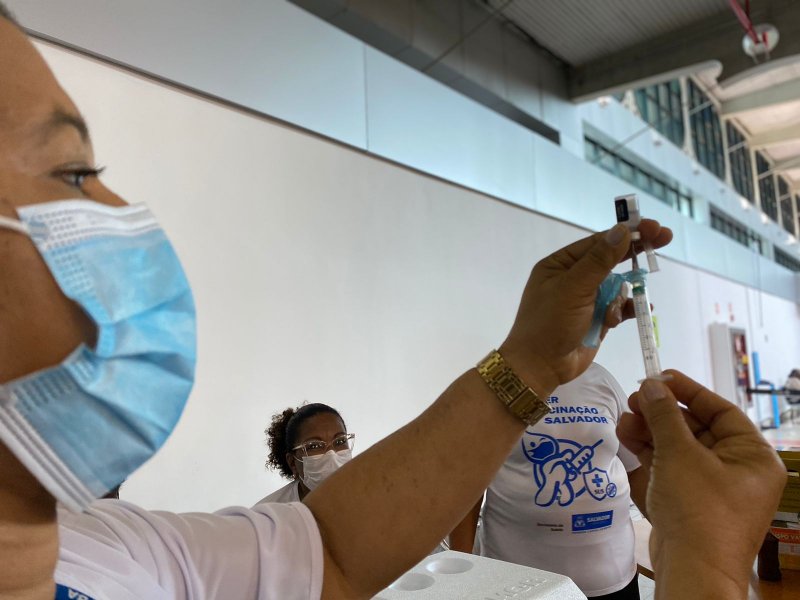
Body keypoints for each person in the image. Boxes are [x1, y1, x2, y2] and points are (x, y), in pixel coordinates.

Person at [0, 7, 786, 599]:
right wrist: (708, 569)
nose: (123, 211)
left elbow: (335, 554)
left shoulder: (113, 551)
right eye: (73, 175)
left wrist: (530, 362)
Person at [450, 363, 648, 599]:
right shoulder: (495, 379)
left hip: (613, 577)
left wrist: (675, 535)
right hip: (519, 585)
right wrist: (460, 576)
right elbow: (466, 487)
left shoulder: (601, 378)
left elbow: (636, 469)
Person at [257, 403, 353, 504]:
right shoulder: (271, 511)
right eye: (314, 446)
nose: (331, 454)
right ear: (293, 463)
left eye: (340, 441)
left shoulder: (364, 492)